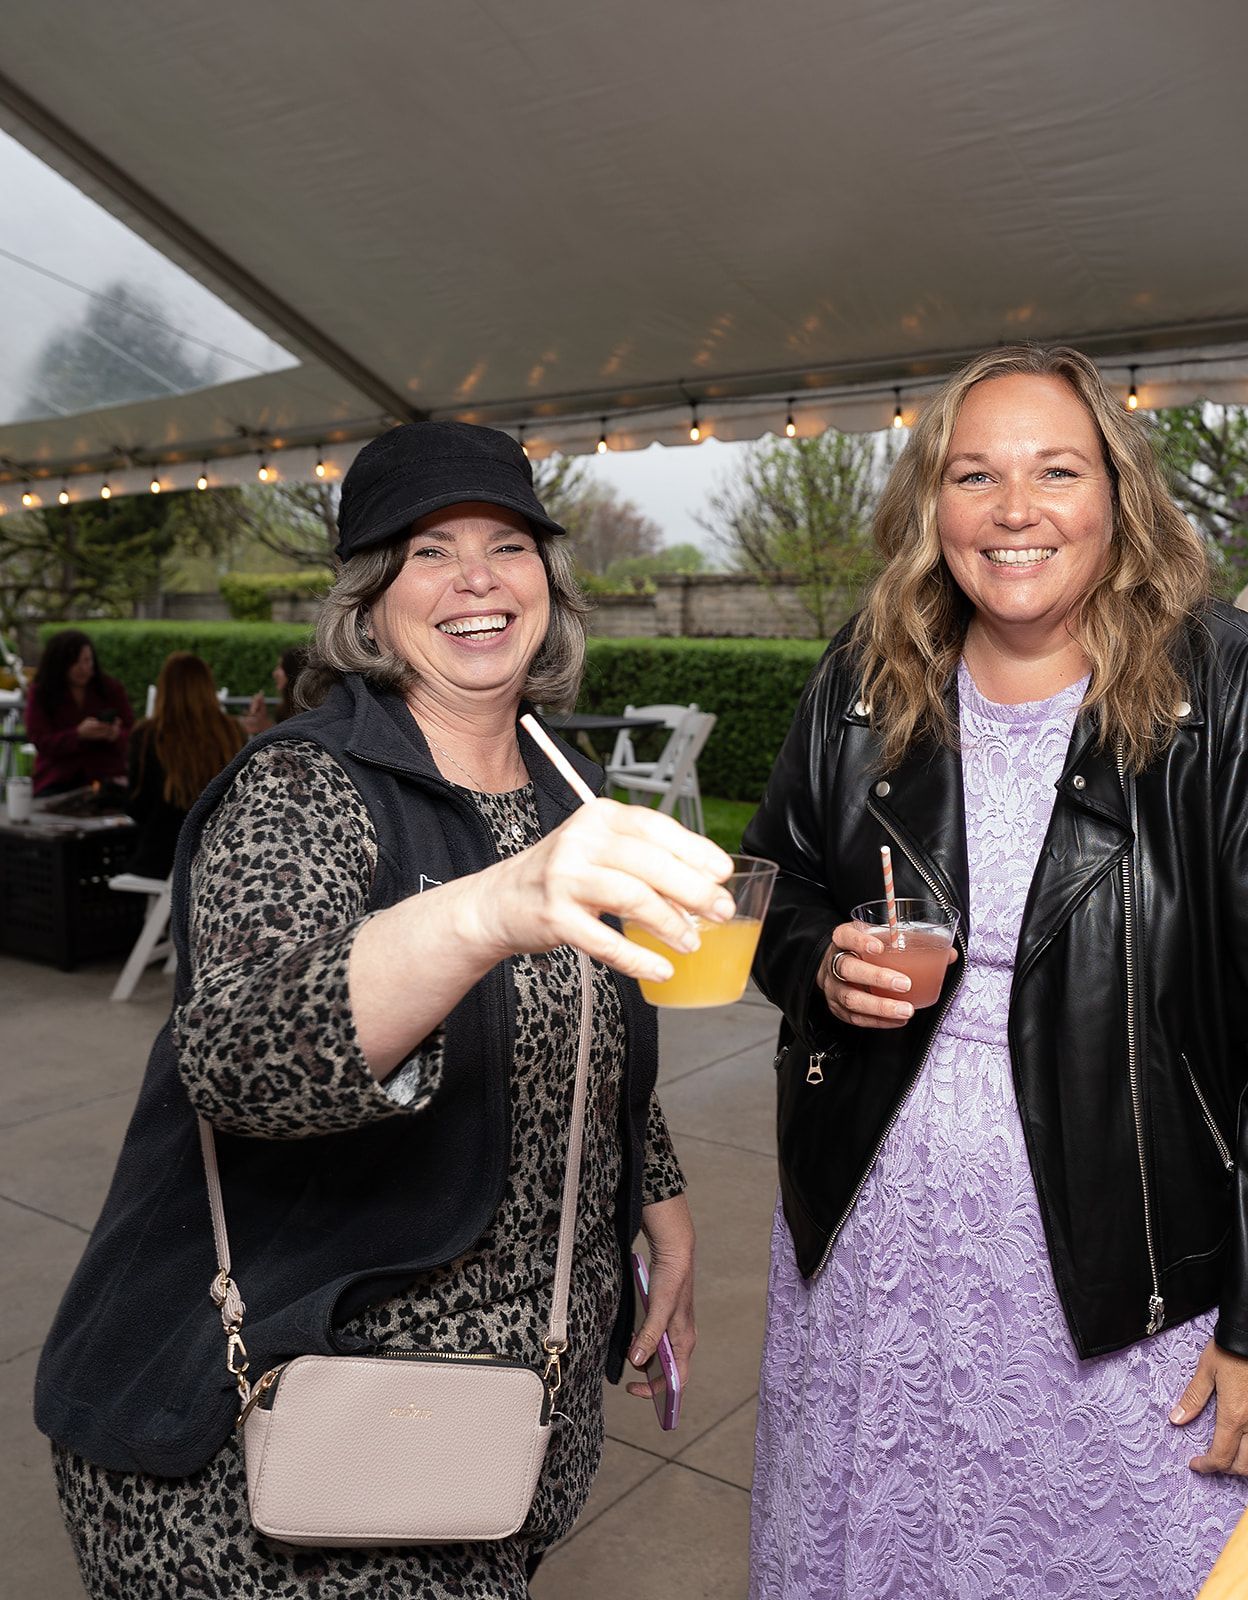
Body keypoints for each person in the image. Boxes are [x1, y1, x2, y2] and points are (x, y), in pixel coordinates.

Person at [36, 420, 735, 1597]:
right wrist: (489, 907)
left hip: (501, 1435)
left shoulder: (564, 787)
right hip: (288, 1445)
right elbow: (239, 1053)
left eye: (507, 546)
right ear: (368, 604)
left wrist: (649, 1186)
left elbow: (581, 1028)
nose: (475, 578)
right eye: (427, 551)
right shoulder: (301, 786)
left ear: (547, 587)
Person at [743, 346, 1248, 1598]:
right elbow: (769, 887)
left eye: (1054, 470)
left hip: (1125, 1264)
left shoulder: (1234, 692)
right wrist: (820, 961)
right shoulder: (865, 677)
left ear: (1119, 494)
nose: (1012, 509)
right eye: (974, 474)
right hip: (872, 1237)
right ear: (933, 505)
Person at [123, 652, 246, 879]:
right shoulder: (231, 732)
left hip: (160, 860)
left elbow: (137, 806)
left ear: (165, 690)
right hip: (219, 861)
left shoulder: (150, 735)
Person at [23, 629, 134, 796]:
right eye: (75, 663)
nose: (83, 669)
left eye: (88, 661)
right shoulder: (42, 693)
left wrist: (115, 735)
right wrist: (77, 735)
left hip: (107, 775)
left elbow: (132, 733)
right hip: (58, 778)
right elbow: (40, 739)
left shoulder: (110, 689)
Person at [242, 644, 310, 736]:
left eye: (280, 667)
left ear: (292, 671)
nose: (275, 673)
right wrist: (261, 718)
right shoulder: (286, 709)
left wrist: (263, 724)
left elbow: (285, 739)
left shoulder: (304, 714)